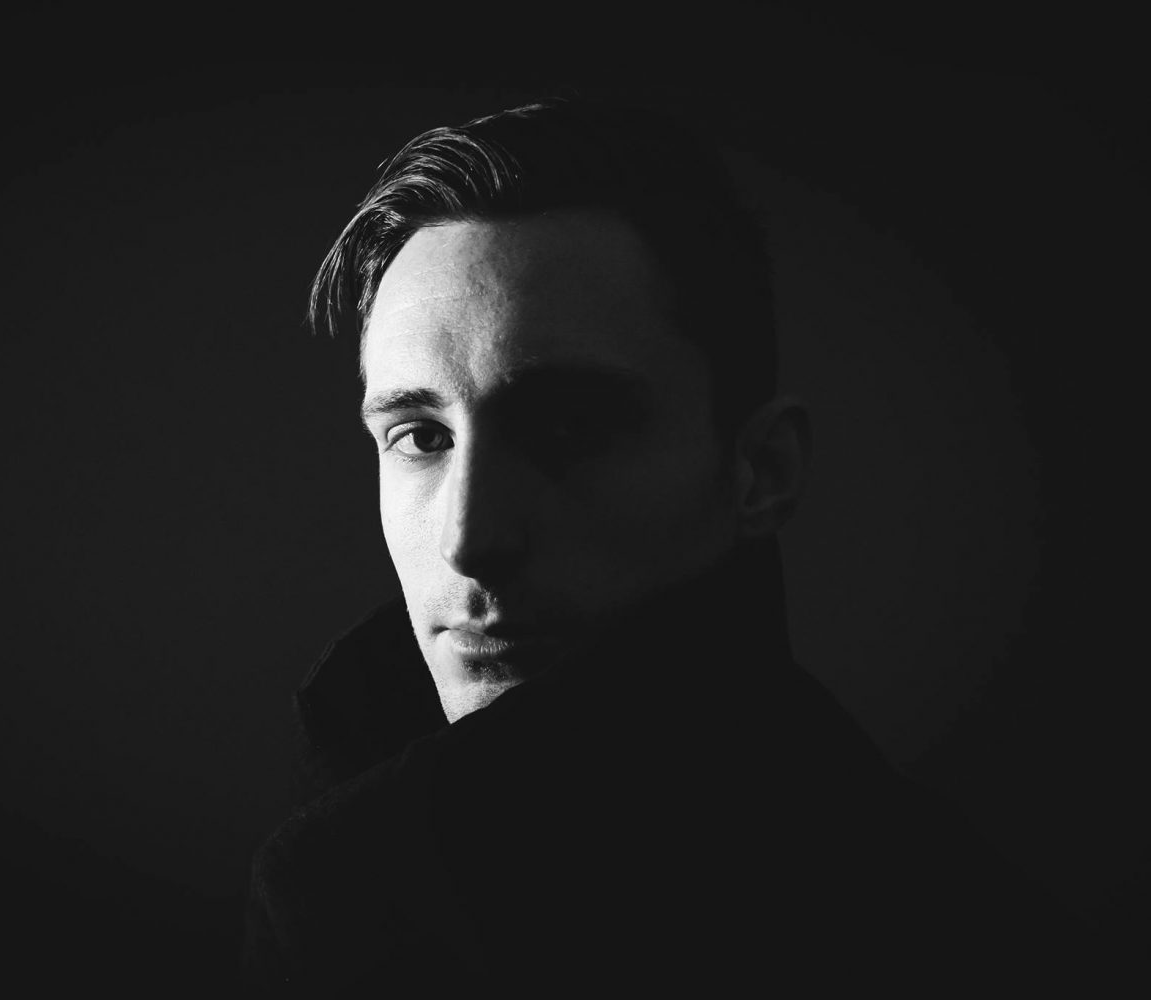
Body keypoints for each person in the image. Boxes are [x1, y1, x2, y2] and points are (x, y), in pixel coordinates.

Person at [241, 96, 1078, 993]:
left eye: (568, 428)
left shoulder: (951, 940)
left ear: (762, 469)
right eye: (420, 437)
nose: (470, 540)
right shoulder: (347, 864)